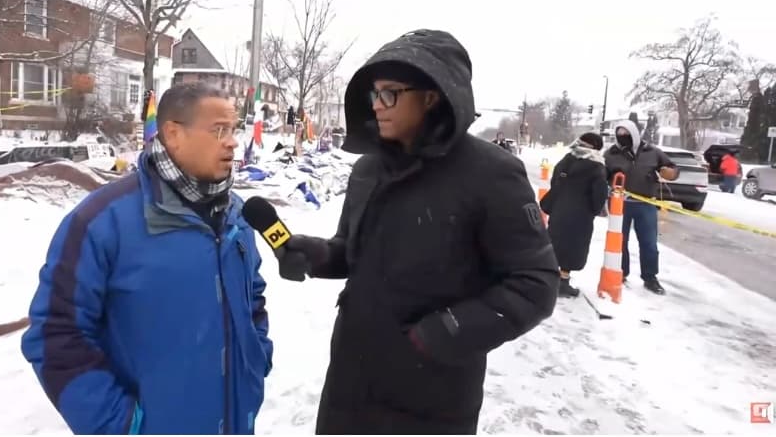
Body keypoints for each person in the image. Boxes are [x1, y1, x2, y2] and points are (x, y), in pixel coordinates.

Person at [272, 29, 559, 434]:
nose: (377, 104)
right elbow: (352, 251)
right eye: (374, 94)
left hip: (432, 400)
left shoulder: (491, 174)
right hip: (349, 389)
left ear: (431, 97)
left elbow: (536, 283)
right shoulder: (367, 170)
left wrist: (447, 331)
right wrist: (318, 255)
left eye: (390, 93)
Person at [21, 82, 273, 435]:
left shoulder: (238, 215)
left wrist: (255, 362)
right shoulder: (102, 221)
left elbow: (253, 300)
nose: (232, 142)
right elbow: (56, 334)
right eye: (219, 130)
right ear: (173, 134)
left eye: (234, 129)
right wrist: (123, 427)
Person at [604, 120, 679, 295]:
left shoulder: (652, 152)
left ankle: (650, 277)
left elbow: (671, 168)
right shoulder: (611, 154)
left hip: (646, 204)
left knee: (649, 243)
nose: (622, 137)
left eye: (626, 134)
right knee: (619, 241)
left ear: (634, 134)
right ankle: (620, 272)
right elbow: (601, 176)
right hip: (620, 205)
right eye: (619, 134)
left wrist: (670, 173)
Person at [539, 132, 610, 298]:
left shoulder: (567, 159)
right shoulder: (596, 166)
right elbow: (599, 194)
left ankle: (549, 278)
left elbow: (555, 181)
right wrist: (595, 209)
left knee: (555, 242)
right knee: (573, 248)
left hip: (559, 209)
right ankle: (563, 282)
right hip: (580, 215)